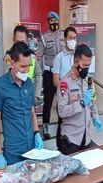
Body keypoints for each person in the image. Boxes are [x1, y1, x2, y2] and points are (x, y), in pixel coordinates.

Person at [0, 42, 44, 168]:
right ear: (12, 63)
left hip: (31, 149)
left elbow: (31, 111)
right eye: (22, 66)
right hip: (13, 152)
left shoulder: (29, 83)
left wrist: (37, 133)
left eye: (29, 66)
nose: (26, 70)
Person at [56, 44, 103, 155]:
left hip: (85, 137)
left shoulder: (87, 81)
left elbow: (92, 102)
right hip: (71, 139)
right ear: (76, 61)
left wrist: (96, 117)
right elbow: (62, 111)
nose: (87, 68)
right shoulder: (65, 83)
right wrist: (81, 103)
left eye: (89, 65)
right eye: (85, 65)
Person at [37, 11, 64, 139]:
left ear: (58, 21)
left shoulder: (64, 35)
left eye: (55, 20)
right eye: (51, 21)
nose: (54, 23)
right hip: (49, 72)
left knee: (63, 100)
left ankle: (62, 125)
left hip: (63, 73)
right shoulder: (43, 37)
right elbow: (38, 55)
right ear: (48, 22)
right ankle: (46, 125)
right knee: (48, 102)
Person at [4, 25, 43, 101]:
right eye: (17, 42)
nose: (20, 45)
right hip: (14, 97)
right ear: (13, 40)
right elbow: (8, 78)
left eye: (23, 42)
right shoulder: (8, 57)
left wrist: (36, 95)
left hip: (29, 95)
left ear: (27, 40)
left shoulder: (32, 56)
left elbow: (38, 75)